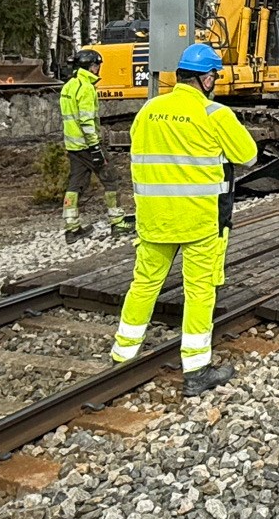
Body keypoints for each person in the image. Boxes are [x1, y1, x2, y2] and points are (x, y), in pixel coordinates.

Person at [108, 43, 258, 397]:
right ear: (206, 79)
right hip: (199, 221)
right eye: (214, 76)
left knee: (144, 284)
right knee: (199, 291)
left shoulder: (148, 110)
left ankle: (123, 354)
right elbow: (248, 155)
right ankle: (196, 369)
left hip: (154, 218)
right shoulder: (214, 114)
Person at [60, 48, 129, 236]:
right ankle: (117, 221)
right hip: (88, 145)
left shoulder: (68, 86)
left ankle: (72, 227)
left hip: (73, 146)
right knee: (111, 179)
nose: (98, 69)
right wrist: (95, 147)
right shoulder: (86, 88)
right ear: (90, 66)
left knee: (75, 184)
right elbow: (86, 121)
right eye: (97, 65)